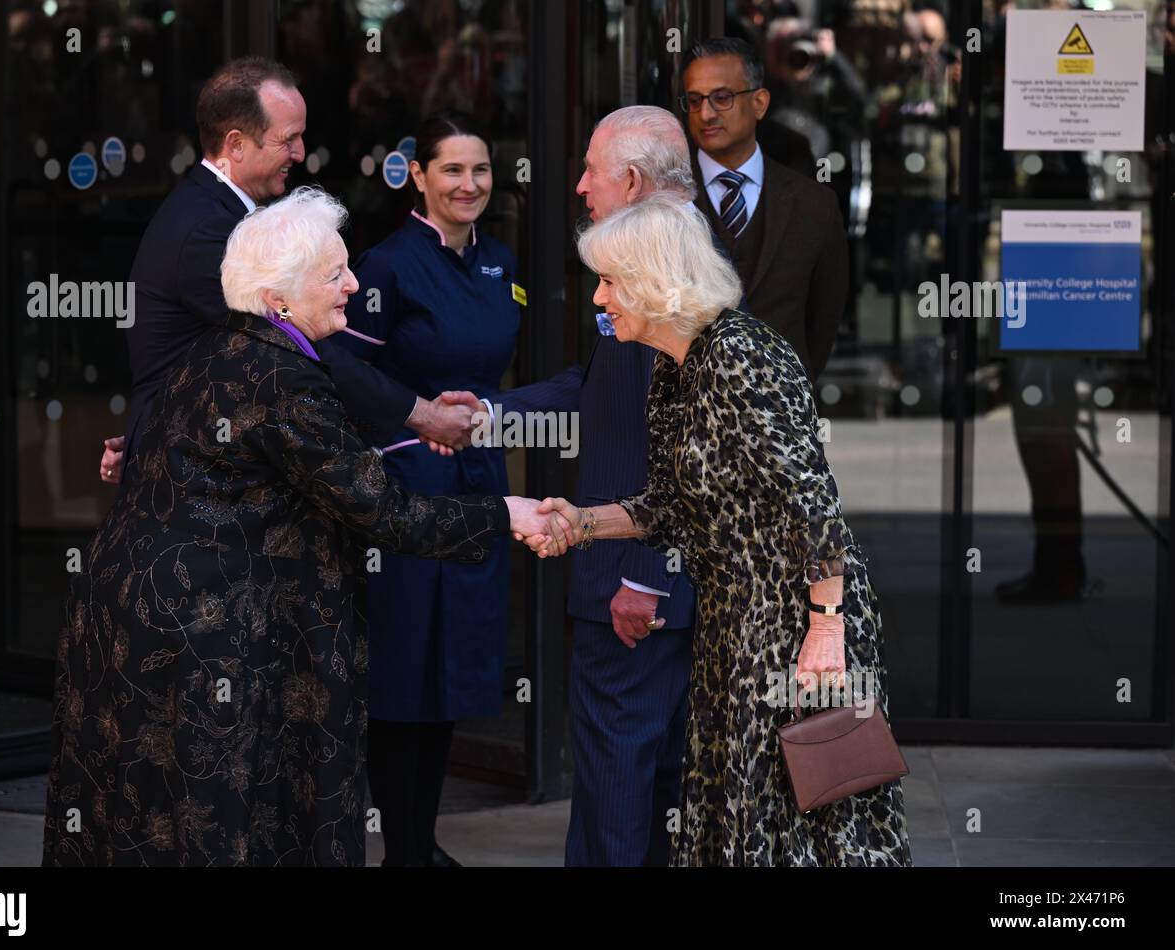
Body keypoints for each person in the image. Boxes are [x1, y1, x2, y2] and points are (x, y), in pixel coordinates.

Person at [43, 187, 563, 866]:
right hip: (207, 644)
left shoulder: (216, 350)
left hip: (135, 627)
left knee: (144, 821)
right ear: (280, 298)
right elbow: (383, 510)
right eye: (335, 274)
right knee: (217, 824)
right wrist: (506, 512)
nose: (354, 285)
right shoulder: (283, 380)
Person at [524, 195, 911, 866]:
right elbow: (673, 504)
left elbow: (812, 502)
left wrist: (825, 628)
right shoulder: (677, 366)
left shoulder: (740, 357)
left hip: (795, 625)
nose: (599, 297)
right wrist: (582, 523)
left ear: (653, 280)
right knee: (733, 814)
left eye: (611, 280)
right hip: (732, 623)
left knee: (798, 818)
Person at [464, 107, 700, 867]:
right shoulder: (658, 249)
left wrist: (645, 575)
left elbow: (680, 442)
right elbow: (596, 384)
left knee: (617, 789)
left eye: (592, 169)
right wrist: (490, 416)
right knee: (648, 781)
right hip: (644, 578)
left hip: (634, 586)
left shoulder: (663, 265)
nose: (579, 184)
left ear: (631, 180)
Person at [98, 57, 480, 485]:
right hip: (189, 480)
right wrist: (423, 415)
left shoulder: (213, 211)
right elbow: (296, 349)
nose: (300, 152)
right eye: (288, 139)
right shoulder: (208, 232)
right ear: (236, 144)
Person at [335, 112, 518, 867]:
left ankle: (425, 840)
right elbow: (341, 370)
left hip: (475, 484)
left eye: (479, 171)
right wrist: (416, 421)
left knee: (454, 666)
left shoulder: (501, 264)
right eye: (451, 170)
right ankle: (401, 849)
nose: (468, 184)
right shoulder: (386, 265)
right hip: (404, 487)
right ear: (419, 177)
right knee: (403, 668)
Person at [682, 37, 848, 380]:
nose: (706, 114)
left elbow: (824, 319)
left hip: (783, 414)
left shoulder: (815, 205)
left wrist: (789, 390)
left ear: (759, 103)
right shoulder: (667, 198)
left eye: (722, 98)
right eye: (695, 100)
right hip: (687, 418)